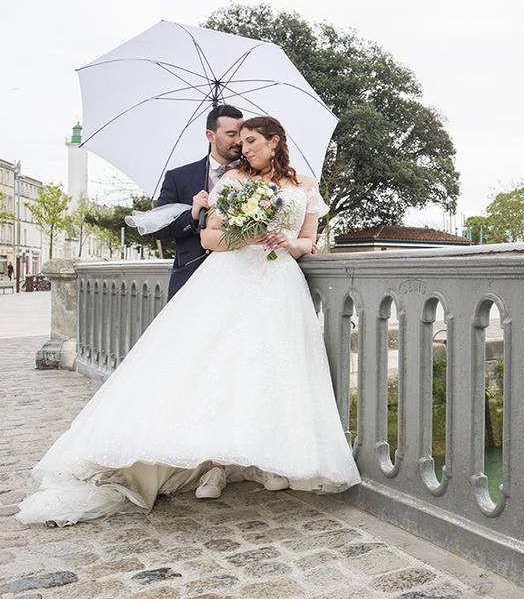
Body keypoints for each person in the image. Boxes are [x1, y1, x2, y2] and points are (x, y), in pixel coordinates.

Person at [16, 116, 360, 526]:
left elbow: (310, 241)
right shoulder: (232, 180)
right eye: (240, 140)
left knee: (271, 366)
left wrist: (290, 242)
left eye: (251, 141)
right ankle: (214, 464)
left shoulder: (305, 186)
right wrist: (247, 235)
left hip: (280, 284)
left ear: (275, 142)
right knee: (217, 366)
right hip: (229, 280)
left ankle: (271, 461)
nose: (243, 148)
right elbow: (210, 238)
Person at [153, 105, 243, 299]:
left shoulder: (256, 175)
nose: (239, 141)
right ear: (210, 135)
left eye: (241, 134)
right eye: (231, 134)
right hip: (190, 278)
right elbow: (159, 229)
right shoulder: (178, 177)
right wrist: (192, 215)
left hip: (242, 280)